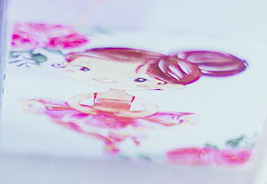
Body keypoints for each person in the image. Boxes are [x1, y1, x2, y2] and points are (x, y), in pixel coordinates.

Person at [23, 46, 247, 154]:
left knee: (120, 132)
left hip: (127, 117)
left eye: (140, 79)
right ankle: (107, 140)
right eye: (84, 68)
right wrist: (76, 105)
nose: (101, 78)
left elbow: (147, 107)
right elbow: (78, 99)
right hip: (88, 111)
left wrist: (137, 114)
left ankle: (112, 141)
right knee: (71, 124)